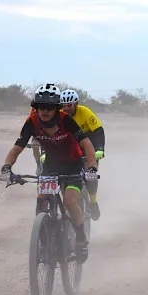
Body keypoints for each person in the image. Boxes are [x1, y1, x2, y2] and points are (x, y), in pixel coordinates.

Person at [0, 84, 98, 263]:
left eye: (49, 107)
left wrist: (92, 167)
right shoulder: (32, 122)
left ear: (56, 108)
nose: (44, 110)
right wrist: (6, 167)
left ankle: (81, 238)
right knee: (42, 197)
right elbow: (18, 147)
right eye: (40, 106)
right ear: (35, 107)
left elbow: (86, 143)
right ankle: (44, 234)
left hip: (73, 165)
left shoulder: (65, 119)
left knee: (69, 201)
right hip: (51, 165)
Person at [58, 88, 106, 220]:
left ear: (76, 104)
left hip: (88, 147)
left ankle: (93, 202)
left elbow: (98, 131)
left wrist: (100, 149)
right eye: (63, 105)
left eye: (69, 105)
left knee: (91, 175)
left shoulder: (84, 112)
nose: (66, 109)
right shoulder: (59, 115)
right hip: (71, 148)